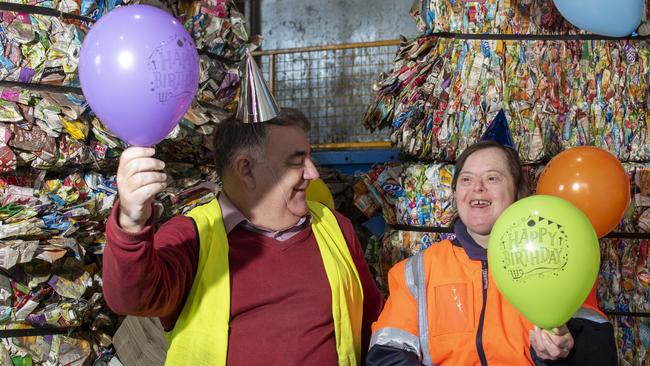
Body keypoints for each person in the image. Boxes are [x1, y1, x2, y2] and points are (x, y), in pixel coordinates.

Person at [102, 109, 384, 366]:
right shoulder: (194, 236)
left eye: (310, 158)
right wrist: (132, 223)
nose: (313, 173)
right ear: (247, 170)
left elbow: (372, 319)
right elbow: (133, 299)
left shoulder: (335, 227)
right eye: (298, 161)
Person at [367, 140, 617, 365]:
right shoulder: (418, 271)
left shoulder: (559, 261)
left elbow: (599, 354)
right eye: (466, 179)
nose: (477, 188)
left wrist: (565, 355)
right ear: (455, 193)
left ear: (518, 192)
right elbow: (386, 354)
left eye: (492, 178)